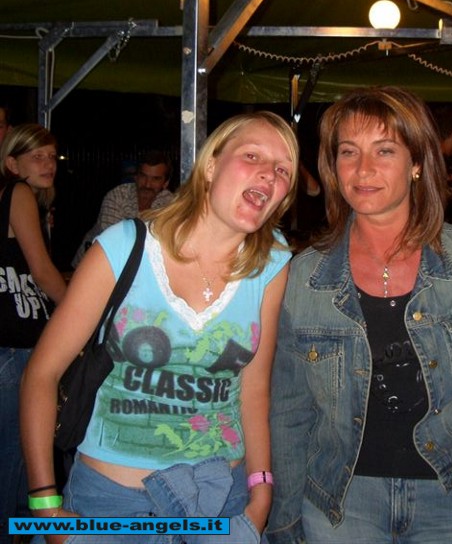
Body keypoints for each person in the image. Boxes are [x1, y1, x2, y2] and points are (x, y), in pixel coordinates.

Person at [266, 86, 452, 544]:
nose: (363, 168)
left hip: (450, 497)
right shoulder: (305, 276)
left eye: (384, 150)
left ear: (417, 162)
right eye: (349, 151)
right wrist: (284, 521)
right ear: (333, 166)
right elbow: (289, 411)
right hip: (339, 505)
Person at [20, 111, 299, 543]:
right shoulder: (124, 245)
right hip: (112, 506)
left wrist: (260, 493)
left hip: (219, 502)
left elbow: (254, 388)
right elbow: (42, 373)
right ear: (211, 166)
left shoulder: (272, 262)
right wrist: (44, 507)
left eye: (283, 169)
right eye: (252, 156)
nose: (269, 173)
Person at [0, 124, 67, 544]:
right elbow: (41, 272)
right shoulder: (18, 193)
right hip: (14, 345)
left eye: (51, 156)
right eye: (36, 157)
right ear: (12, 163)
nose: (48, 164)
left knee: (17, 457)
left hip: (12, 343)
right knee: (15, 455)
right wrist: (82, 314)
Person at [72, 151, 174, 266]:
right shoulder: (117, 196)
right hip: (93, 263)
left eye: (155, 179)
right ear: (136, 176)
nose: (147, 184)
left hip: (138, 265)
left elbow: (168, 243)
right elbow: (112, 242)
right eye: (143, 176)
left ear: (165, 183)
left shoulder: (169, 203)